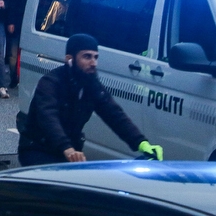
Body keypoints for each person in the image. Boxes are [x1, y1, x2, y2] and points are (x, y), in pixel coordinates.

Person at [17, 34, 163, 167]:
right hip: (38, 150)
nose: (93, 63)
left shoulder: (90, 84)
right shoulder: (51, 82)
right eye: (87, 57)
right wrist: (66, 148)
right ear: (70, 59)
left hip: (70, 152)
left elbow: (114, 114)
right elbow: (48, 117)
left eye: (95, 57)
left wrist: (142, 143)